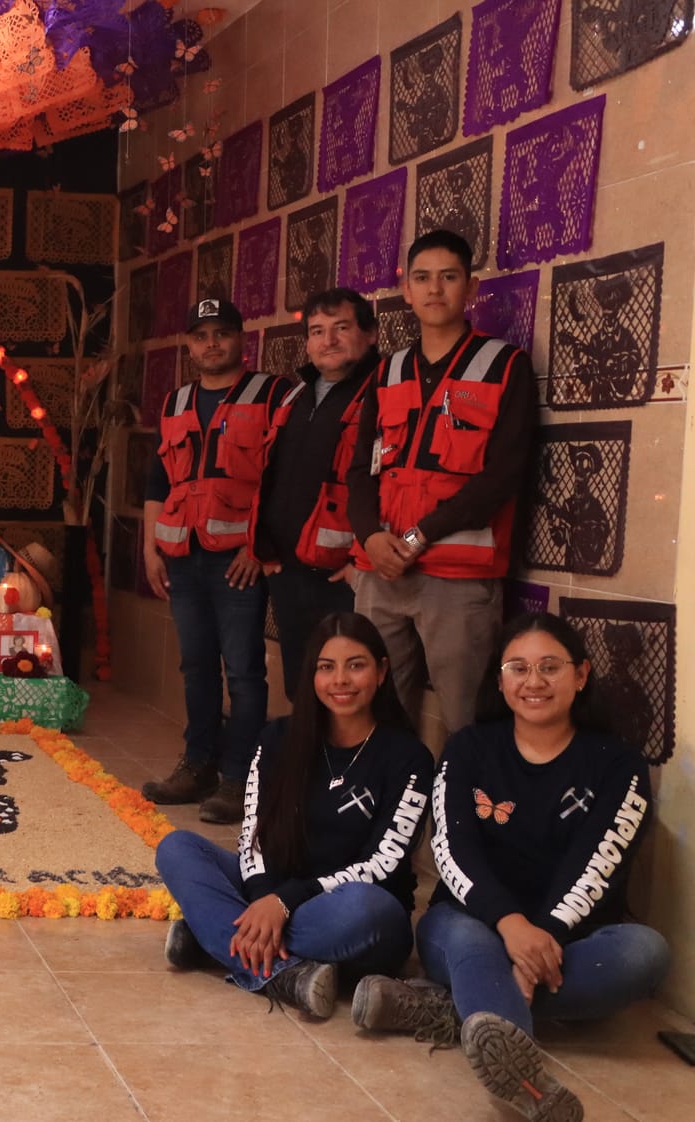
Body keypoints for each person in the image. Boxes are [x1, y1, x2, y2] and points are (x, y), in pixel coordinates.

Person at [352, 613, 668, 1122]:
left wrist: (541, 935)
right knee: (469, 945)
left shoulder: (617, 763)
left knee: (645, 954)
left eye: (550, 667)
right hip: (468, 923)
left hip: (567, 938)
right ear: (499, 682)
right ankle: (529, 1085)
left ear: (581, 675)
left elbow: (598, 863)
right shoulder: (469, 749)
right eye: (518, 668)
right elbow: (451, 852)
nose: (534, 681)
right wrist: (510, 924)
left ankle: (451, 1005)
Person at [155, 612, 432, 1018]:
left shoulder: (409, 758)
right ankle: (287, 974)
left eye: (356, 665)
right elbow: (253, 834)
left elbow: (382, 864)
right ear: (311, 675)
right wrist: (265, 896)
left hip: (353, 912)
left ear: (382, 671)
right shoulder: (279, 738)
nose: (340, 680)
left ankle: (214, 937)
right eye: (326, 667)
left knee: (365, 908)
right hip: (276, 890)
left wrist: (283, 903)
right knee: (177, 847)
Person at [345, 230, 538, 735]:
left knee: (464, 717)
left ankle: (459, 815)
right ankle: (392, 810)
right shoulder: (386, 372)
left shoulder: (504, 365)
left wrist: (416, 537)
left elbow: (503, 475)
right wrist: (369, 536)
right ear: (405, 290)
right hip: (379, 570)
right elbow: (360, 472)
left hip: (458, 576)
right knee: (379, 712)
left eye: (449, 278)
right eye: (422, 278)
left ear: (470, 288)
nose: (435, 290)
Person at [141, 298, 287, 823]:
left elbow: (282, 479)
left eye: (221, 334)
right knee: (195, 666)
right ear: (188, 345)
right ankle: (197, 764)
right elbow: (159, 480)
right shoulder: (176, 402)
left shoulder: (271, 394)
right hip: (183, 555)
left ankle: (237, 777)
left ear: (240, 339)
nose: (211, 344)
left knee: (244, 673)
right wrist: (149, 545)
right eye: (201, 335)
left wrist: (259, 547)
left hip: (237, 561)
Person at [258, 289, 378, 697]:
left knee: (346, 693)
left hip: (343, 577)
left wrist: (362, 560)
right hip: (289, 573)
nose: (328, 341)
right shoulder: (296, 395)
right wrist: (266, 551)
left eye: (341, 328)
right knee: (303, 687)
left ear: (371, 334)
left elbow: (393, 485)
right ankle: (309, 762)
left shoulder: (384, 394)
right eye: (317, 331)